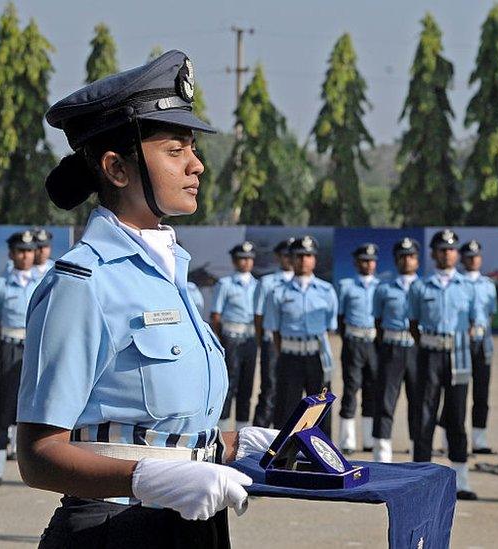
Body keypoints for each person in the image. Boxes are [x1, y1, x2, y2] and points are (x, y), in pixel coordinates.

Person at [17, 51, 280, 546]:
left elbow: (144, 433)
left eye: (193, 149)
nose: (197, 165)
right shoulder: (82, 283)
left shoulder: (171, 274)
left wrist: (234, 444)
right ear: (117, 169)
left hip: (191, 526)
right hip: (115, 529)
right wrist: (145, 480)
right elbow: (38, 454)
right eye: (176, 151)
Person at [409, 229, 477, 500]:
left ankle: (461, 479)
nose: (447, 254)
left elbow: (473, 323)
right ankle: (419, 478)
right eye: (442, 249)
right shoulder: (420, 287)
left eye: (451, 249)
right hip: (429, 353)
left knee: (457, 416)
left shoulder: (468, 287)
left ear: (456, 253)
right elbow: (413, 324)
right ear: (434, 254)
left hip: (458, 355)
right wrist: (431, 343)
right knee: (425, 414)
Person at [263, 235, 338, 434]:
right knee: (286, 409)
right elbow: (274, 330)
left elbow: (330, 326)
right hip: (289, 356)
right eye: (298, 255)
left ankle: (323, 459)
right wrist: (285, 352)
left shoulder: (326, 290)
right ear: (291, 259)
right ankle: (280, 458)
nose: (303, 260)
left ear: (315, 259)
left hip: (317, 356)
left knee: (320, 410)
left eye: (308, 255)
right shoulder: (277, 292)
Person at [371, 237, 422, 462]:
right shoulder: (384, 289)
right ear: (395, 260)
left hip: (416, 349)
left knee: (419, 401)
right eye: (402, 256)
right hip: (392, 348)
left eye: (411, 256)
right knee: (385, 401)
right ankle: (382, 453)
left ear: (417, 261)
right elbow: (378, 322)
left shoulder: (424, 288)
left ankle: (417, 450)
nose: (406, 260)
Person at [0, 231, 39, 480]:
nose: (25, 256)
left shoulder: (43, 281)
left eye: (29, 251)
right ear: (12, 254)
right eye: (21, 251)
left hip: (34, 347)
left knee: (33, 404)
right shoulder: (2, 286)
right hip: (8, 346)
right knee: (3, 404)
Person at [336, 243, 380, 454]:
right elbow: (341, 317)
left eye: (371, 261)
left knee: (372, 389)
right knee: (351, 389)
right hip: (353, 342)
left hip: (374, 342)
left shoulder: (381, 287)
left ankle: (370, 439)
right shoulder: (347, 286)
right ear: (356, 263)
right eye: (364, 260)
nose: (368, 264)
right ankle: (347, 440)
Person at [211, 242, 259, 431]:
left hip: (250, 338)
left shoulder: (258, 285)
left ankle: (243, 429)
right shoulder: (225, 284)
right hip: (231, 336)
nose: (246, 262)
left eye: (249, 259)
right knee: (230, 382)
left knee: (247, 384)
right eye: (241, 258)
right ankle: (222, 429)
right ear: (234, 260)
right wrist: (222, 339)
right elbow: (216, 315)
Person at [252, 238, 295, 428]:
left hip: (294, 344)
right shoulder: (267, 282)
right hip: (271, 341)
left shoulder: (303, 283)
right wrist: (263, 341)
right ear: (278, 257)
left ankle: (285, 432)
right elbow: (259, 315)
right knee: (269, 388)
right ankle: (259, 431)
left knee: (291, 390)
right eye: (286, 255)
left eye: (294, 255)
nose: (290, 259)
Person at [460, 240, 497, 454]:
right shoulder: (457, 283)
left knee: (481, 392)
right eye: (469, 256)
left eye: (476, 256)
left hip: (483, 342)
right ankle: (452, 437)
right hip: (462, 341)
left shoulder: (488, 285)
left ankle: (479, 439)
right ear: (463, 259)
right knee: (458, 392)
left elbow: (489, 314)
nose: (473, 260)